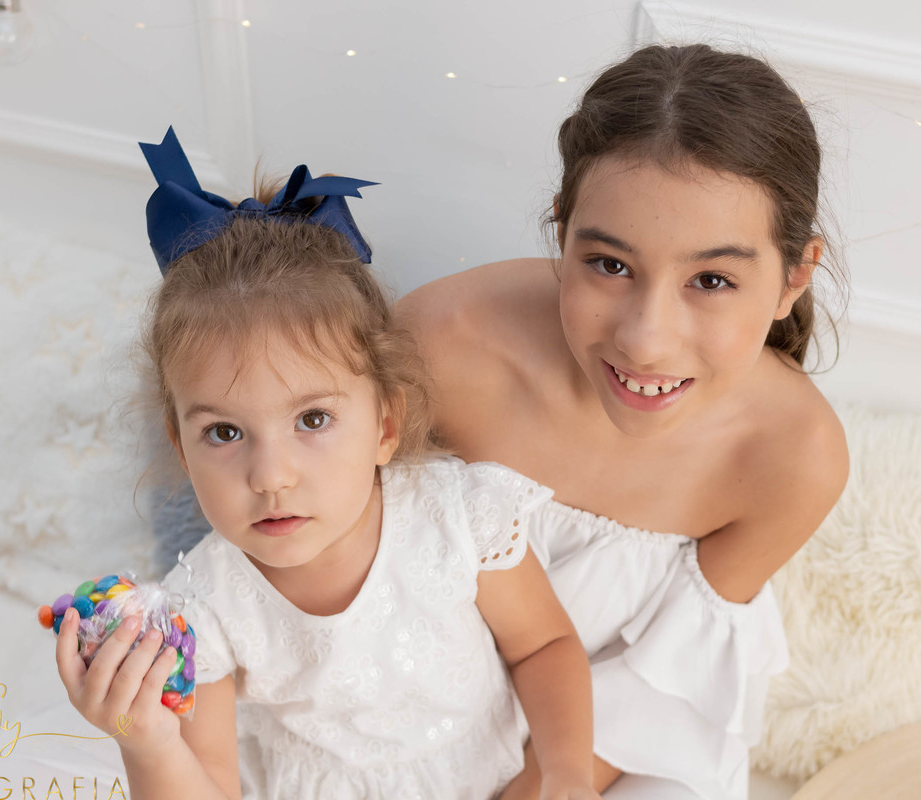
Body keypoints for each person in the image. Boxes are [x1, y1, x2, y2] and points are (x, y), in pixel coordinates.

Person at [52, 128, 601, 800]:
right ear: (179, 446)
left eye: (312, 420)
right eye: (224, 431)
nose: (271, 475)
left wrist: (566, 772)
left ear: (386, 425)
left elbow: (544, 648)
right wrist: (148, 741)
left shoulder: (456, 516)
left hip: (495, 778)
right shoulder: (207, 607)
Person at [396, 43, 850, 800]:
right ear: (562, 232)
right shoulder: (441, 348)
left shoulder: (793, 455)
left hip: (625, 743)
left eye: (712, 280)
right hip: (415, 703)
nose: (645, 339)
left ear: (792, 279)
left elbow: (659, 696)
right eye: (609, 265)